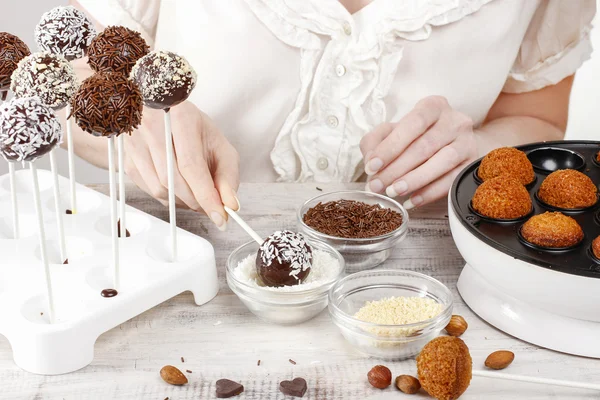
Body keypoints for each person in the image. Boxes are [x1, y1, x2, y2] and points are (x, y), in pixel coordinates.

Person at [68, 0, 596, 230]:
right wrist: (129, 119)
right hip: (170, 260)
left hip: (432, 287)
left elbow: (540, 123)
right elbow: (58, 87)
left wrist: (478, 149)